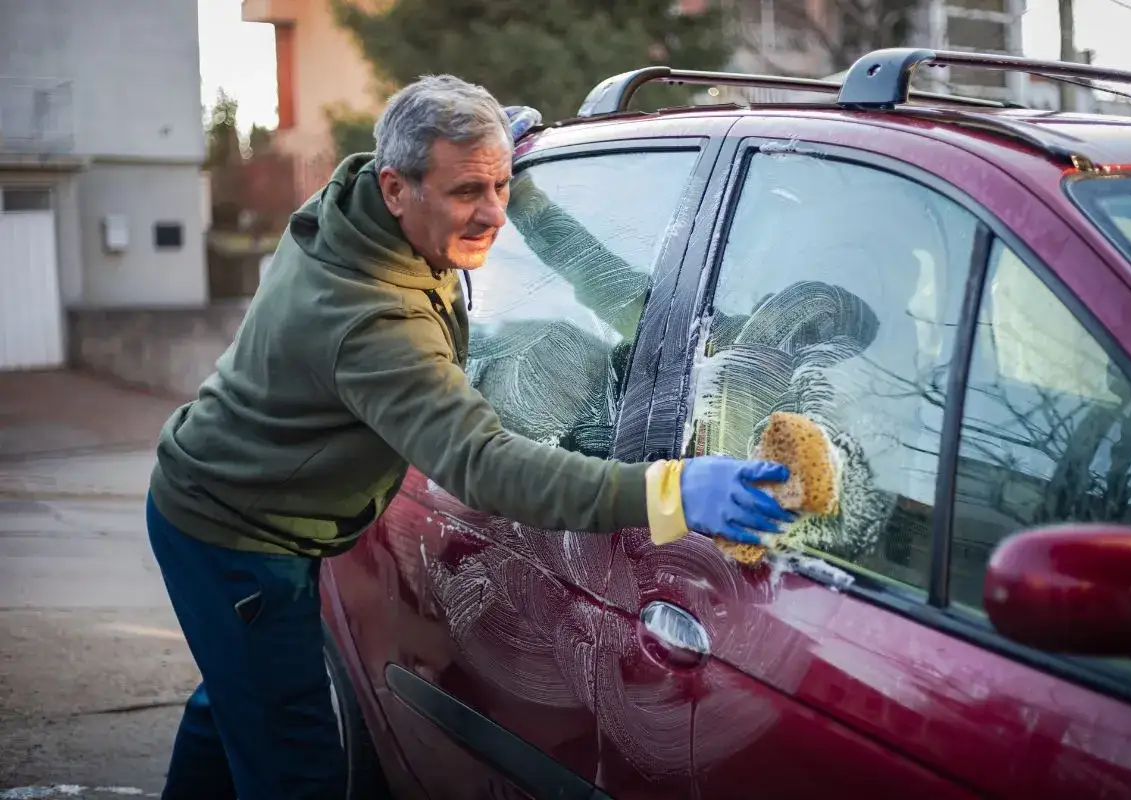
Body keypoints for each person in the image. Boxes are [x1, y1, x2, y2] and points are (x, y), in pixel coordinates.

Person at [145, 75, 796, 799]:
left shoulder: (364, 203)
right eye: (467, 193)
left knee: (235, 702)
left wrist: (500, 171)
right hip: (238, 533)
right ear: (397, 189)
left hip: (242, 491)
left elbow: (547, 246)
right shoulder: (370, 322)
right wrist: (671, 490)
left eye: (502, 186)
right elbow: (484, 466)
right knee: (295, 767)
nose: (491, 213)